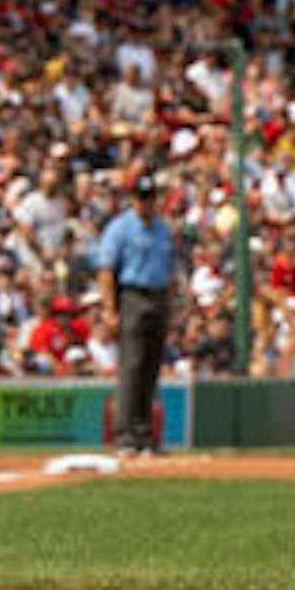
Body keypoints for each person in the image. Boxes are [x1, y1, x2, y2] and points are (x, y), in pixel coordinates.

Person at [91, 171, 178, 459]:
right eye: (142, 198)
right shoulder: (121, 228)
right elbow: (106, 270)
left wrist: (172, 303)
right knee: (131, 366)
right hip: (132, 295)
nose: (147, 204)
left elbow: (170, 269)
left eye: (151, 198)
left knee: (151, 368)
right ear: (133, 200)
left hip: (157, 296)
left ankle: (145, 435)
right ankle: (125, 435)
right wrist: (110, 309)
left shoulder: (163, 229)